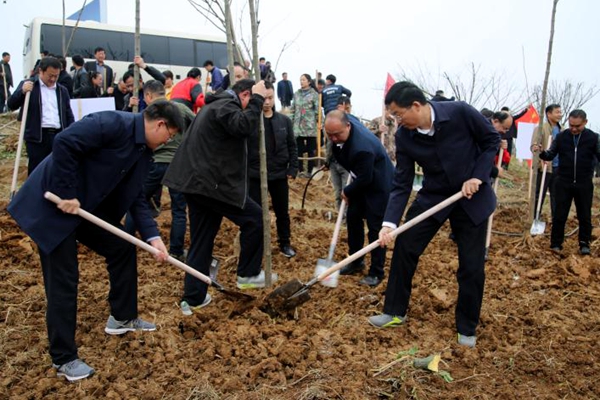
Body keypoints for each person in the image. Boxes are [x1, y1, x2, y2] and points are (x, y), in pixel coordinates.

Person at [7, 101, 183, 381]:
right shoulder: (112, 123)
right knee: (64, 279)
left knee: (122, 247)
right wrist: (65, 192)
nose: (168, 141)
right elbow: (64, 142)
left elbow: (136, 197)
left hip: (85, 209)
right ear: (160, 124)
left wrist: (153, 237)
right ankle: (63, 358)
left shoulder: (143, 152)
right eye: (170, 135)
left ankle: (122, 317)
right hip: (53, 205)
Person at [368, 82, 499, 349]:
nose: (397, 120)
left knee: (471, 265)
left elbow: (491, 141)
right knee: (405, 245)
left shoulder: (460, 112)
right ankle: (394, 312)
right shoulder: (405, 135)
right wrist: (389, 223)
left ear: (416, 106)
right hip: (435, 195)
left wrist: (478, 175)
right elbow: (402, 181)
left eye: (398, 114)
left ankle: (466, 327)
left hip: (471, 196)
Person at [164, 79, 277, 316]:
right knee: (255, 218)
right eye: (258, 98)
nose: (262, 103)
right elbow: (243, 126)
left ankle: (194, 297)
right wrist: (257, 100)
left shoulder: (213, 106)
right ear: (245, 94)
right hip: (210, 184)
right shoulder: (226, 105)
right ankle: (247, 274)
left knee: (202, 240)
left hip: (197, 184)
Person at [125, 80, 195, 261]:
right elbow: (196, 124)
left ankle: (127, 244)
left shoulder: (149, 113)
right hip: (177, 165)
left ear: (148, 96)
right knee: (179, 208)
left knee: (136, 201)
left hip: (154, 163)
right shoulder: (180, 108)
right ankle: (176, 250)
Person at [325, 110, 394, 287]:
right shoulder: (347, 123)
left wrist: (347, 191)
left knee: (375, 227)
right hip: (362, 177)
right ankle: (356, 261)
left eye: (337, 134)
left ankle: (376, 272)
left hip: (378, 183)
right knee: (353, 217)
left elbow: (366, 179)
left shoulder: (361, 148)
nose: (333, 138)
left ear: (348, 126)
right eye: (329, 134)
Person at [535, 109, 599, 255]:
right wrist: (541, 152)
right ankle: (556, 244)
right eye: (571, 125)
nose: (574, 129)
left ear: (585, 123)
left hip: (584, 182)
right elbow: (550, 154)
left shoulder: (593, 138)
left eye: (577, 126)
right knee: (559, 214)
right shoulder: (562, 136)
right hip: (564, 181)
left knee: (584, 215)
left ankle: (584, 244)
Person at [247, 81, 298, 258]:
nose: (267, 102)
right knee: (256, 213)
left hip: (278, 175)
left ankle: (285, 243)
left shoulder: (284, 121)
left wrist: (293, 168)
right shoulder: (251, 120)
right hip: (255, 175)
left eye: (270, 98)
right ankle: (256, 246)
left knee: (282, 212)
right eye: (264, 98)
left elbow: (292, 146)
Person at [8, 57, 75, 175]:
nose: (53, 79)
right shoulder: (29, 86)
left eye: (56, 76)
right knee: (37, 171)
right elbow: (11, 104)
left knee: (57, 169)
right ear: (41, 71)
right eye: (50, 75)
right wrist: (22, 92)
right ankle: (35, 193)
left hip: (58, 135)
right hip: (37, 137)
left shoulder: (62, 91)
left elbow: (68, 114)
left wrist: (71, 132)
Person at [530, 104, 562, 219]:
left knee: (557, 196)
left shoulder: (562, 129)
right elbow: (534, 146)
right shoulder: (540, 128)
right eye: (557, 112)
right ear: (549, 114)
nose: (560, 114)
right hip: (543, 168)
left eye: (560, 112)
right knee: (539, 195)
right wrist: (541, 159)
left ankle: (556, 220)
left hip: (558, 168)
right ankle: (534, 218)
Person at [290, 73, 319, 177]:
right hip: (298, 127)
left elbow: (317, 111)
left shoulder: (314, 94)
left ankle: (310, 171)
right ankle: (301, 170)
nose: (301, 81)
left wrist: (320, 123)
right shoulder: (297, 94)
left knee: (311, 150)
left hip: (310, 127)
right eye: (300, 80)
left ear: (309, 82)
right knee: (299, 150)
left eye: (303, 80)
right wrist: (290, 121)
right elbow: (293, 109)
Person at [326, 97, 352, 210]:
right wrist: (327, 161)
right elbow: (328, 145)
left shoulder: (352, 124)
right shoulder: (330, 123)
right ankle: (340, 218)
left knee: (346, 191)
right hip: (333, 163)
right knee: (337, 192)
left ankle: (347, 217)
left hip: (346, 164)